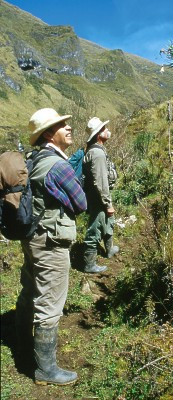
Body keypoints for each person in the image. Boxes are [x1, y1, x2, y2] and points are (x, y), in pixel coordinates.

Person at [16, 108, 87, 385]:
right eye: (62, 125)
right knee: (51, 302)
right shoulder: (58, 165)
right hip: (51, 242)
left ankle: (21, 341)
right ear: (48, 133)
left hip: (33, 238)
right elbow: (80, 203)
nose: (68, 127)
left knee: (31, 288)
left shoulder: (34, 160)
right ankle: (45, 370)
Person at [83, 117, 119, 273]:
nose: (108, 131)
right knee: (95, 228)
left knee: (108, 221)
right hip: (98, 197)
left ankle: (109, 249)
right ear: (98, 134)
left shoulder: (96, 150)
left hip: (98, 196)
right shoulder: (97, 154)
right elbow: (101, 182)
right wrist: (107, 203)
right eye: (104, 128)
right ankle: (88, 264)